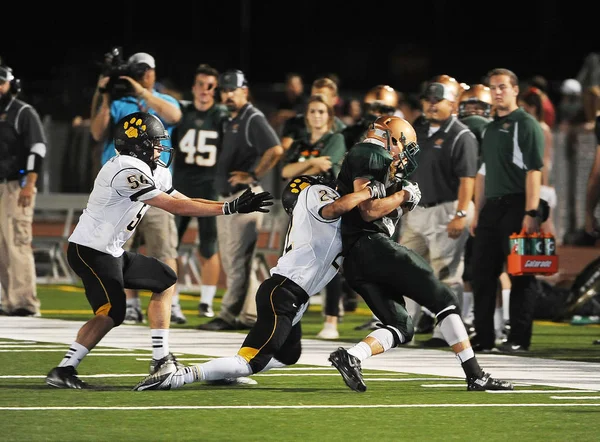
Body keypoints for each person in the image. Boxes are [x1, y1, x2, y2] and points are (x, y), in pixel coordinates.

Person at [45, 112, 273, 389]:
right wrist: (228, 208)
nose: (160, 148)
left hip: (111, 251)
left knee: (165, 279)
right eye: (155, 142)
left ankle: (160, 359)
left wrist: (229, 205)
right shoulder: (125, 168)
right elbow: (173, 207)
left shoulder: (153, 169)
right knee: (111, 312)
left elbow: (185, 200)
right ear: (138, 144)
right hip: (89, 250)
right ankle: (64, 369)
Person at [131, 174, 385, 391]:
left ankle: (225, 371)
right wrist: (369, 191)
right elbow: (337, 208)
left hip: (289, 293)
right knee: (250, 362)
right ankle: (177, 377)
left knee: (288, 356)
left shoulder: (313, 224)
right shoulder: (321, 213)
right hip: (286, 294)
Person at [328, 114, 513, 393]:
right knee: (445, 299)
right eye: (404, 147)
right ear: (392, 139)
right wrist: (402, 197)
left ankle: (353, 356)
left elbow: (371, 210)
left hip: (354, 261)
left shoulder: (364, 156)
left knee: (401, 326)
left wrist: (401, 204)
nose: (404, 156)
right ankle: (475, 375)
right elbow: (368, 212)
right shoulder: (371, 152)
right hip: (373, 247)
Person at [89, 51, 184, 325]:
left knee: (164, 247)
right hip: (122, 193)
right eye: (136, 71)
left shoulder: (163, 100)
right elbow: (97, 132)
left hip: (156, 187)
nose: (141, 75)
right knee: (121, 249)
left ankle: (172, 302)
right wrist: (105, 95)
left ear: (153, 73)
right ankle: (130, 304)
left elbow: (174, 115)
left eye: (143, 71)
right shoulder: (118, 103)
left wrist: (142, 91)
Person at [198, 69, 284, 331]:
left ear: (244, 91)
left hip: (245, 198)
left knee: (236, 262)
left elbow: (276, 149)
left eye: (232, 90)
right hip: (232, 198)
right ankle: (249, 316)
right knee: (235, 261)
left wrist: (253, 174)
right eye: (224, 91)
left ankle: (228, 315)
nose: (228, 95)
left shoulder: (251, 117)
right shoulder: (232, 119)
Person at [470, 68, 545, 354]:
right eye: (493, 87)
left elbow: (534, 170)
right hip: (492, 207)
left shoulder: (525, 123)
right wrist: (477, 212)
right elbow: (482, 172)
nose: (497, 92)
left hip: (517, 204)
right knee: (481, 273)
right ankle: (485, 337)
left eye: (502, 87)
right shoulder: (489, 127)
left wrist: (531, 212)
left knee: (520, 274)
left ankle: (519, 339)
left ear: (515, 90)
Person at [400, 76, 479, 348]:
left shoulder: (462, 135)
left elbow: (468, 179)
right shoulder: (417, 130)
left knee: (446, 274)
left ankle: (445, 332)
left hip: (447, 209)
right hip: (417, 210)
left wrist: (460, 214)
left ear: (453, 103)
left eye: (438, 101)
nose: (432, 106)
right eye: (428, 100)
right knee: (405, 269)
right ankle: (403, 327)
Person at [280, 94, 347, 339]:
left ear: (329, 117)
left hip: (326, 208)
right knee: (292, 258)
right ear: (306, 116)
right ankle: (289, 316)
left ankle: (331, 321)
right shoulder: (299, 141)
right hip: (299, 209)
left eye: (321, 111)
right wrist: (312, 162)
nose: (316, 116)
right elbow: (285, 170)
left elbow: (325, 165)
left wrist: (305, 165)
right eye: (312, 112)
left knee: (329, 262)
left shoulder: (336, 138)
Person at [171, 63, 228, 320]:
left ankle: (206, 302)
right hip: (179, 186)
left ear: (216, 89)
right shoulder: (180, 111)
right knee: (170, 245)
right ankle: (172, 299)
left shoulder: (222, 115)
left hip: (209, 186)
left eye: (210, 86)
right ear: (193, 87)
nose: (205, 91)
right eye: (201, 85)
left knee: (208, 246)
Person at [457, 84, 512, 342]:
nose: (474, 112)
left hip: (491, 203)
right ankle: (486, 321)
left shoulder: (492, 131)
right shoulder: (460, 132)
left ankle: (500, 321)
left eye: (479, 107)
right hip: (474, 204)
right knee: (474, 268)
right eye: (469, 106)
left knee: (491, 268)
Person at [0, 64, 46, 317]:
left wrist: (29, 183)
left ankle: (25, 303)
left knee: (17, 242)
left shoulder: (22, 112)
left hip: (15, 186)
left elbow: (37, 149)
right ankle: (9, 300)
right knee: (1, 247)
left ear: (11, 85)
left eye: (1, 82)